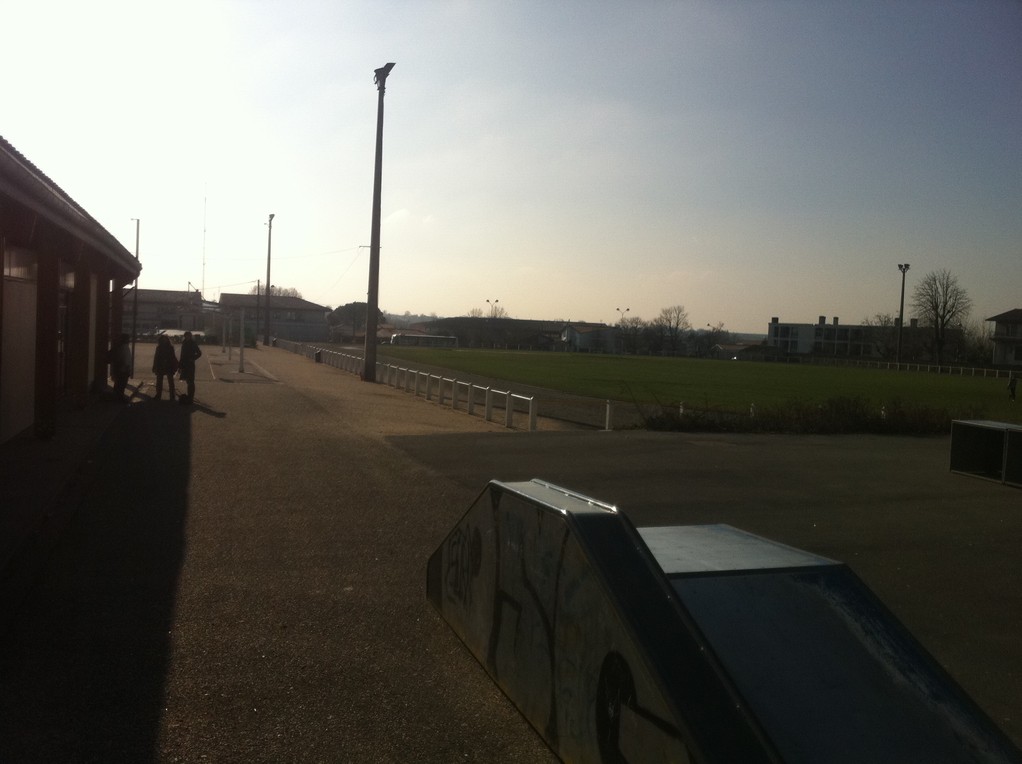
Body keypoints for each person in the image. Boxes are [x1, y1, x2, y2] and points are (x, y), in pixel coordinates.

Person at [178, 331, 203, 404]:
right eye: (186, 336)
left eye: (188, 336)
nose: (187, 337)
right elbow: (182, 355)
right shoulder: (184, 343)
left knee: (191, 381)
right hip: (184, 364)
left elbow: (199, 353)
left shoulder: (193, 343)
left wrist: (193, 358)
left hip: (190, 364)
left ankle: (190, 397)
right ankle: (189, 396)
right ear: (185, 336)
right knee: (188, 381)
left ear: (190, 336)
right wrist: (180, 366)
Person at [152, 334, 178, 401]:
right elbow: (156, 357)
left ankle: (167, 396)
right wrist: (154, 366)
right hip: (164, 365)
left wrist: (154, 366)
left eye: (165, 339)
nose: (164, 340)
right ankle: (167, 396)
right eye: (163, 339)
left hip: (166, 365)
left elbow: (172, 357)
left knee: (169, 382)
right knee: (163, 382)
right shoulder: (166, 347)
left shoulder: (166, 347)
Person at [108, 333, 132, 403]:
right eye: (128, 339)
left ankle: (118, 397)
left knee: (119, 384)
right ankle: (119, 398)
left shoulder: (121, 346)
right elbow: (125, 359)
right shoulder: (123, 347)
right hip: (122, 369)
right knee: (121, 384)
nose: (129, 340)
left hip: (121, 368)